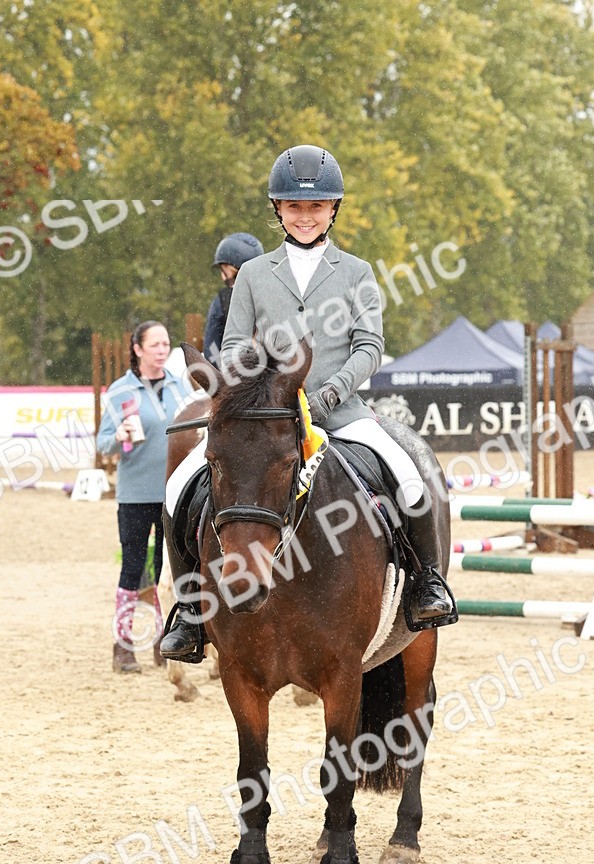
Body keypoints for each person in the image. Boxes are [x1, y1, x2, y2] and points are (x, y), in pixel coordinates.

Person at [160, 144, 455, 661]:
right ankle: (189, 612)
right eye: (295, 207)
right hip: (265, 419)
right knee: (181, 485)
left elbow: (370, 346)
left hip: (341, 413)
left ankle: (426, 583)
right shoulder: (254, 274)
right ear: (278, 210)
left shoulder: (357, 272)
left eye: (316, 206)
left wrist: (331, 392)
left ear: (333, 209)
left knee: (410, 475)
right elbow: (232, 347)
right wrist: (252, 389)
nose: (305, 216)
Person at [97, 320, 194, 673]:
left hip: (173, 493)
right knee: (134, 568)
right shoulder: (120, 392)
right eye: (154, 344)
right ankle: (123, 646)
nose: (162, 350)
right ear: (137, 349)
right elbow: (102, 443)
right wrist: (119, 434)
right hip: (135, 494)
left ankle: (161, 641)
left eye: (165, 343)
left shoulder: (180, 388)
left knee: (166, 570)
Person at [203, 232, 264, 366]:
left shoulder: (221, 301)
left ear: (230, 267)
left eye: (223, 269)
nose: (222, 276)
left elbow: (211, 349)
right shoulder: (271, 292)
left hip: (233, 377)